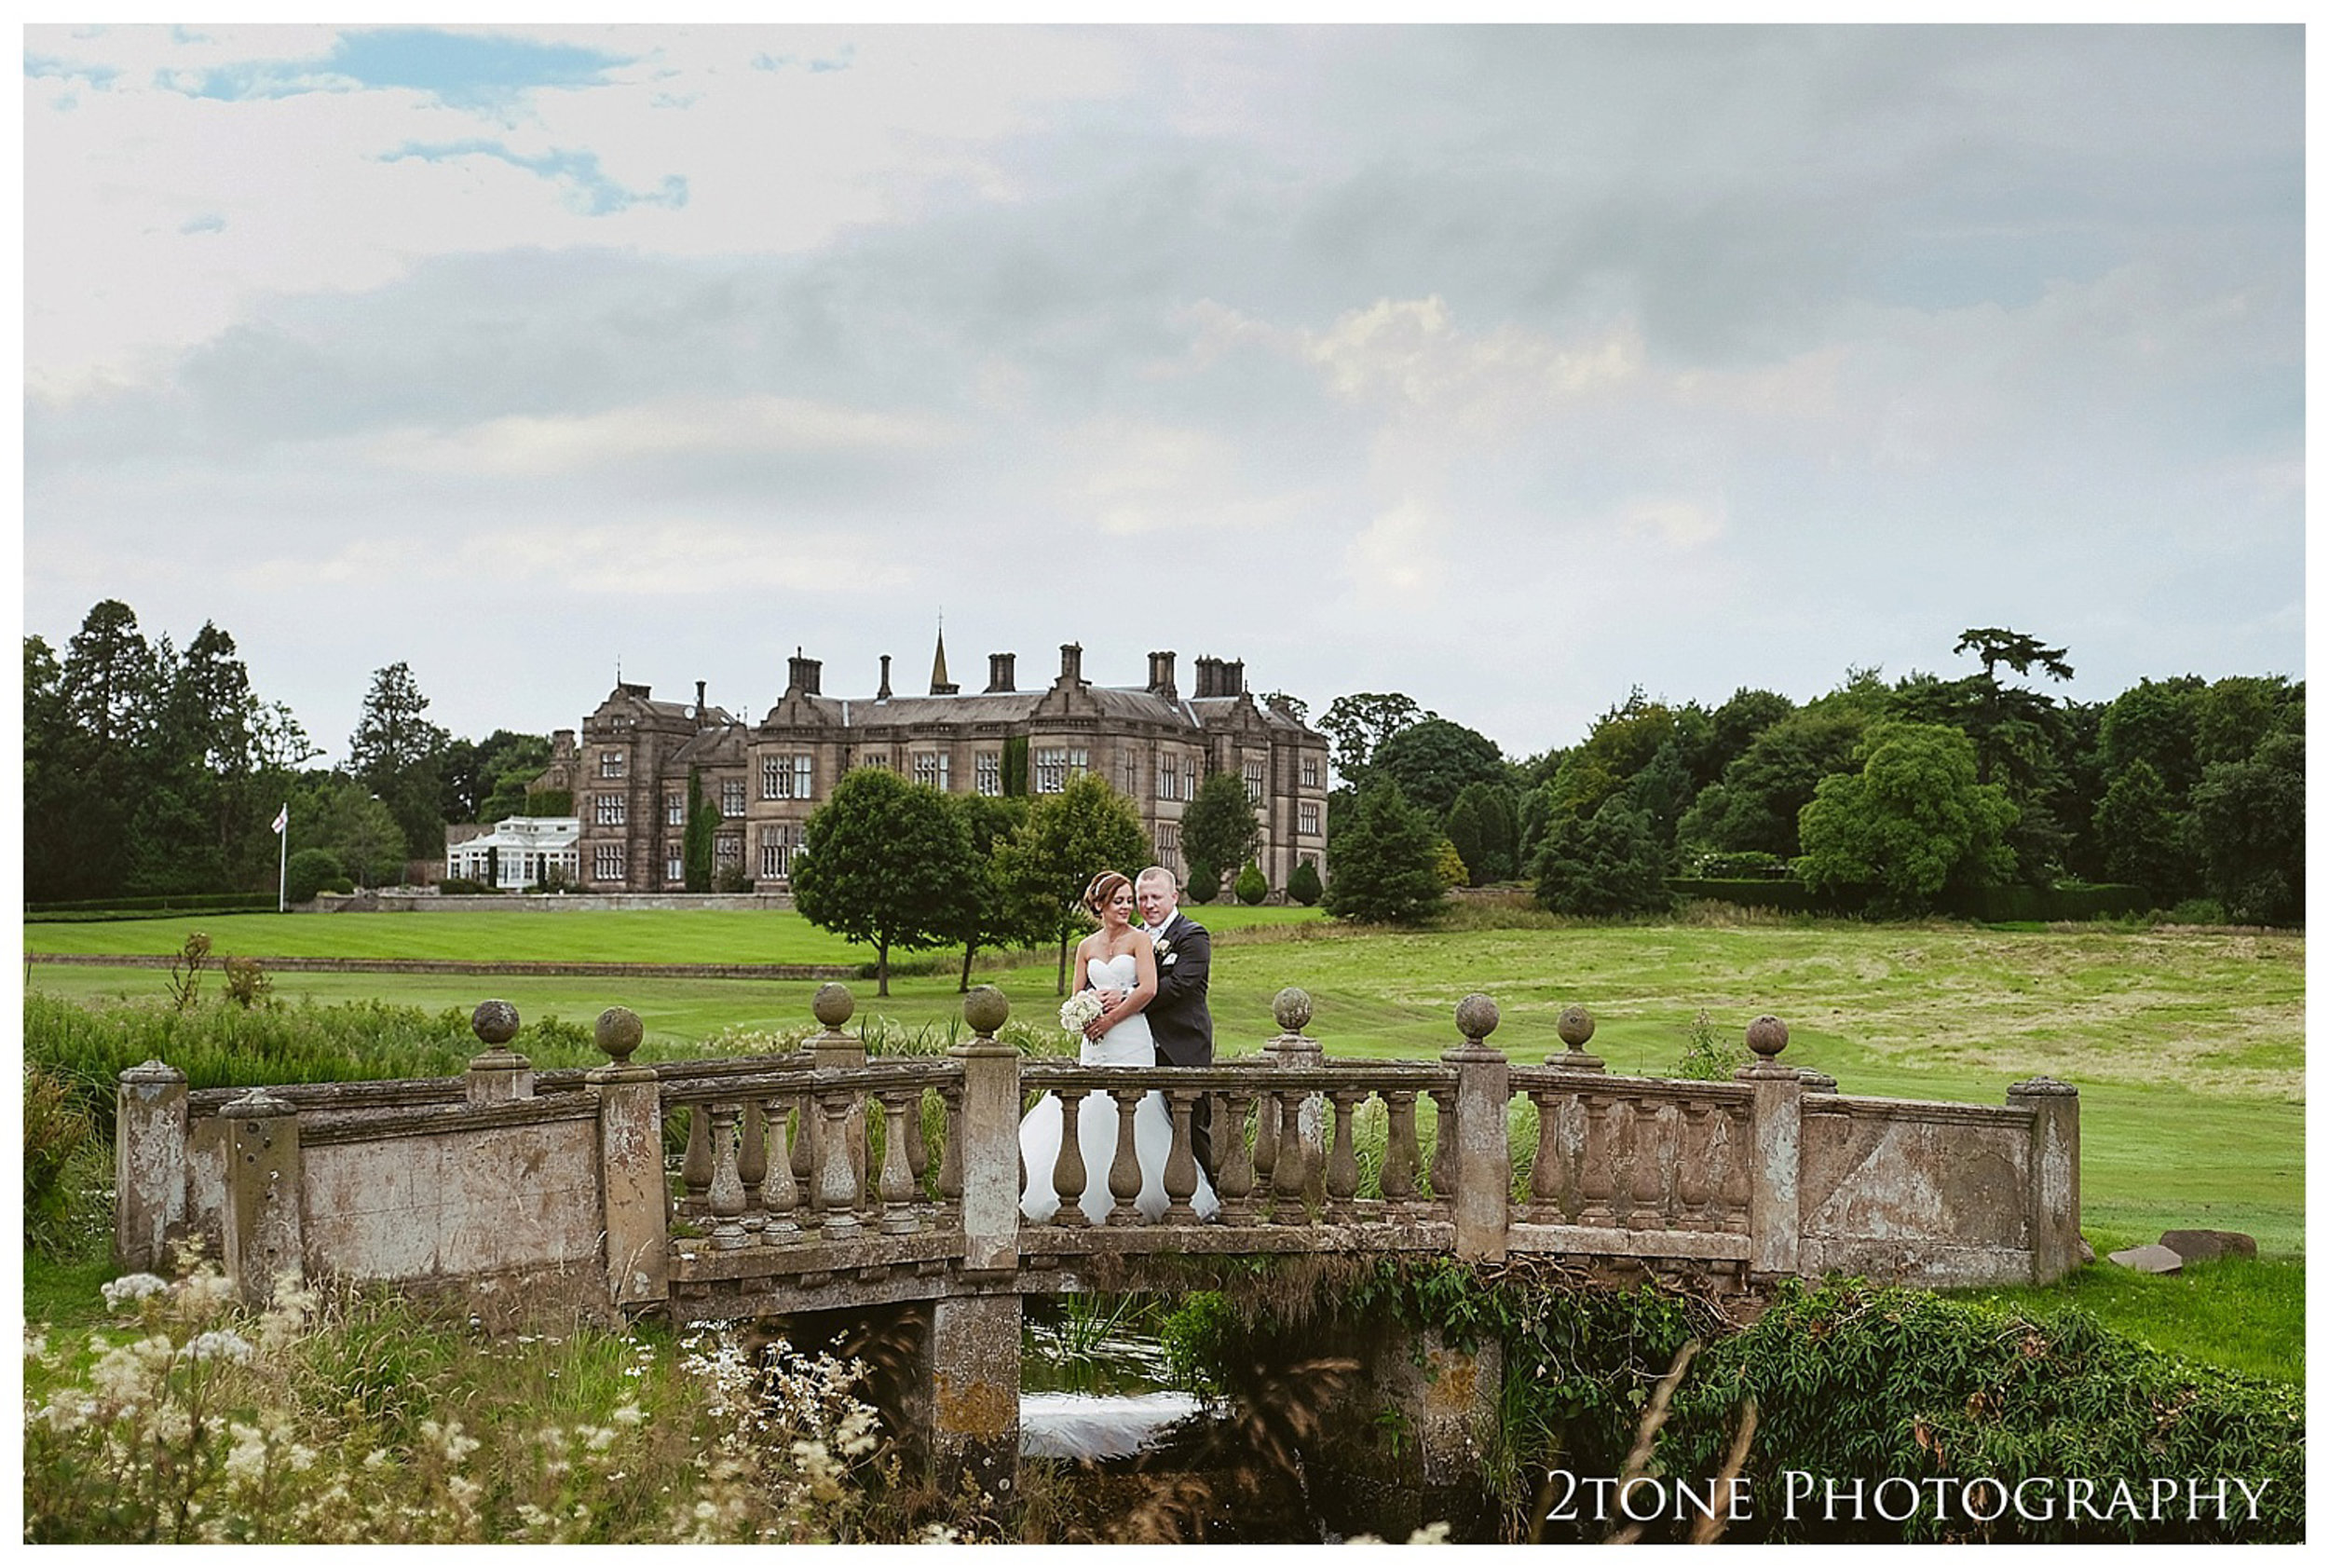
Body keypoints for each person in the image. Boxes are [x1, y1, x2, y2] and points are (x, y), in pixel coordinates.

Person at [1019, 870, 1219, 1224]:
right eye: (1131, 899)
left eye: (1145, 898)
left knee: (1182, 1123)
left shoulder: (1187, 936)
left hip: (1171, 1041)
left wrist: (1114, 1009)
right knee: (1092, 1114)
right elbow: (1077, 992)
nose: (1139, 905)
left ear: (1175, 896)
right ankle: (1082, 1196)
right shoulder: (1092, 944)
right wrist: (1084, 1010)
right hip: (1102, 1042)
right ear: (1100, 905)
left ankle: (1193, 1195)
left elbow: (1164, 988)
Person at [1111, 866, 1217, 1178]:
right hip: (1138, 1046)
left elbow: (1180, 986)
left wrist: (1128, 996)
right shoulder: (1133, 937)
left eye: (1156, 896)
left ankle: (1205, 1197)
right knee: (1146, 1130)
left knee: (1190, 1125)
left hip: (1183, 1044)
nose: (1148, 904)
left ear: (1174, 896)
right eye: (1142, 897)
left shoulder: (1193, 935)